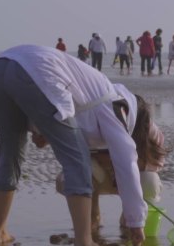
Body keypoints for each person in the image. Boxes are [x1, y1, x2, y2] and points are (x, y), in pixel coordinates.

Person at [0, 44, 146, 246]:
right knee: (77, 161)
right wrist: (136, 220)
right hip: (37, 69)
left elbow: (58, 110)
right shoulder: (115, 106)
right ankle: (84, 244)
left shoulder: (95, 90)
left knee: (9, 153)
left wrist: (41, 130)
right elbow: (127, 163)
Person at [55, 85, 166, 230]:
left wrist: (122, 164)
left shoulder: (149, 130)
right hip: (100, 176)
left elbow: (156, 162)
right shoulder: (95, 116)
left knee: (150, 181)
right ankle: (92, 218)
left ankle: (128, 221)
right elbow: (71, 156)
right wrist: (105, 158)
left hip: (132, 178)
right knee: (68, 178)